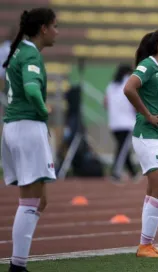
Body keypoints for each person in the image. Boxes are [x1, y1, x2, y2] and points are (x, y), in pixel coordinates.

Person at [1, 8, 58, 272]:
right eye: (54, 26)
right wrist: (44, 109)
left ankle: (18, 262)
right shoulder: (31, 54)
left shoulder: (20, 52)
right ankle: (17, 265)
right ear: (44, 29)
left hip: (14, 127)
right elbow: (32, 88)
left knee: (39, 200)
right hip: (26, 127)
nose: (57, 32)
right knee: (30, 201)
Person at [123, 28, 158, 258]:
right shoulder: (147, 65)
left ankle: (147, 244)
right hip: (149, 136)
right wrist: (147, 115)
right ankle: (145, 246)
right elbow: (129, 88)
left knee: (154, 190)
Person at [104, 63, 138, 183]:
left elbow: (105, 103)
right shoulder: (130, 85)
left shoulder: (111, 86)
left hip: (114, 123)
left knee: (123, 148)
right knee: (122, 149)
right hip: (127, 123)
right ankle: (115, 172)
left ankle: (133, 173)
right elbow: (135, 104)